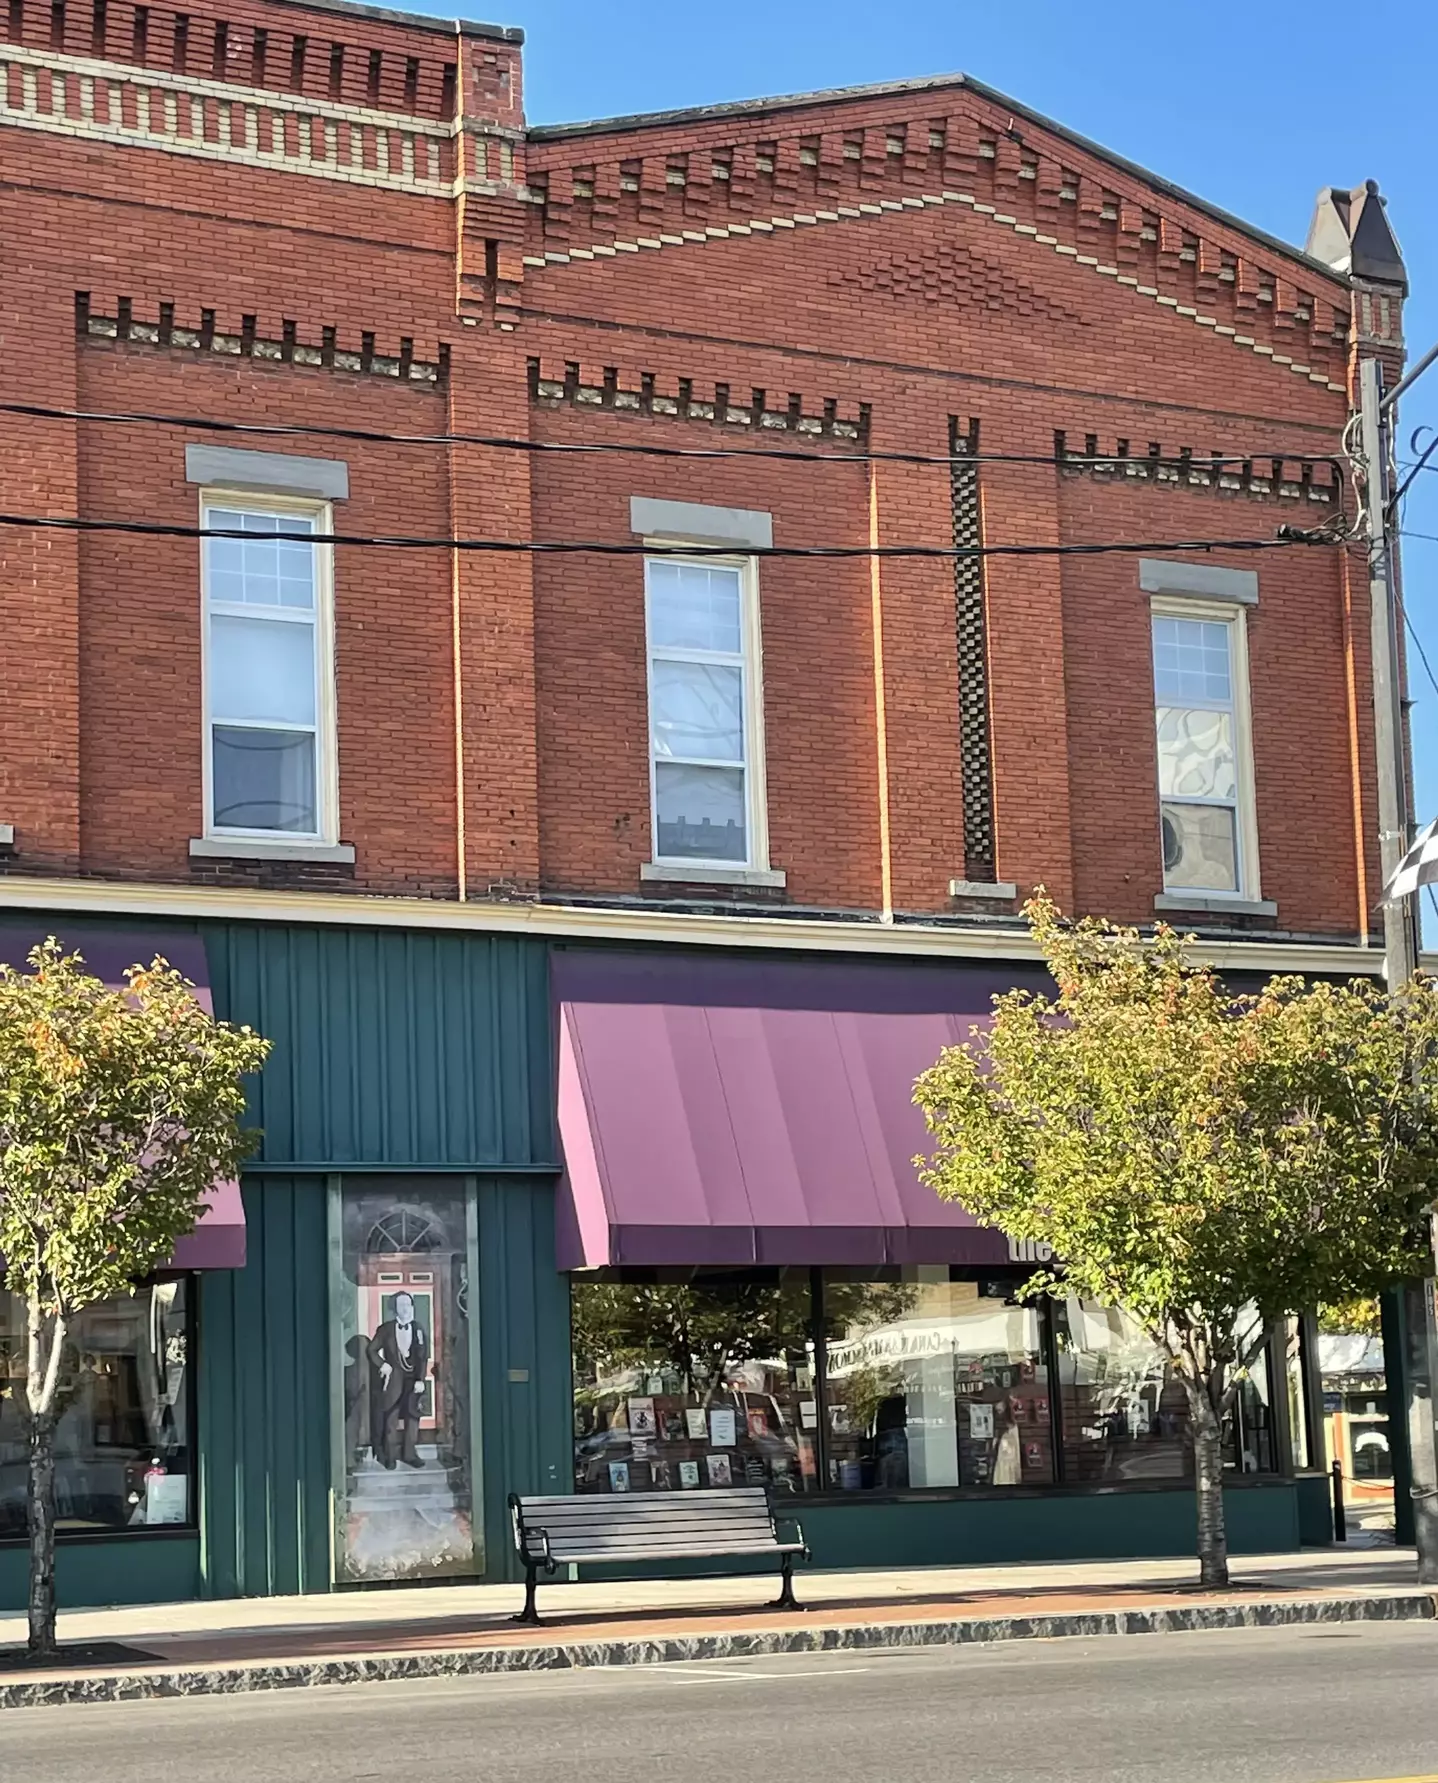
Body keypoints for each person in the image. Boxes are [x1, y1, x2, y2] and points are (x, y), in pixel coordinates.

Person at [367, 1291, 429, 1469]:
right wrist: (382, 1364)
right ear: (395, 1308)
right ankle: (390, 1456)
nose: (406, 1308)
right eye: (402, 1305)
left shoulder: (418, 1328)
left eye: (408, 1305)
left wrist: (420, 1379)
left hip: (412, 1381)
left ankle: (410, 1454)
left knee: (413, 1418)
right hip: (393, 1381)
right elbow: (371, 1350)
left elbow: (423, 1357)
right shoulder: (386, 1329)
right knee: (391, 1419)